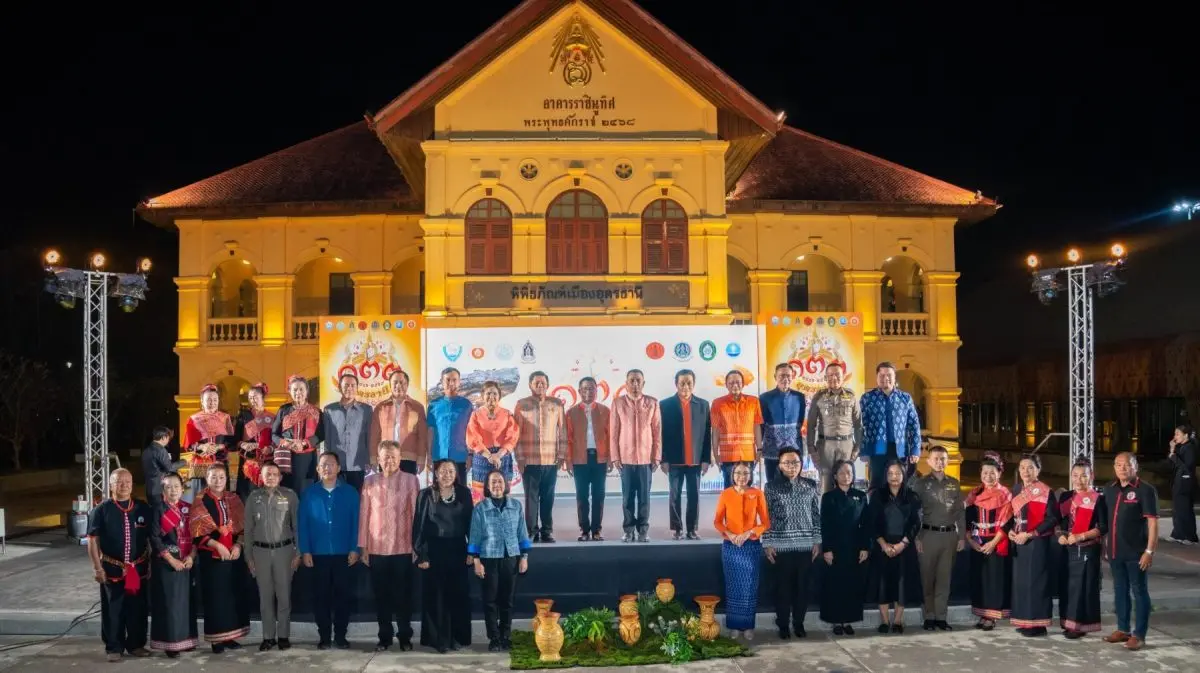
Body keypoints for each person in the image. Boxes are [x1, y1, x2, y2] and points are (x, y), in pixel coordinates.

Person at [359, 439, 420, 652]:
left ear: (400, 458)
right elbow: (364, 514)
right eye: (385, 457)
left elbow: (416, 516)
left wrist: (416, 547)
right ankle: (384, 637)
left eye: (393, 456)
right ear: (379, 459)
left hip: (403, 548)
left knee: (404, 597)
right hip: (377, 548)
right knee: (381, 597)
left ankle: (404, 637)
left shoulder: (411, 480)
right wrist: (363, 547)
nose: (389, 461)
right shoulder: (370, 482)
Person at [87, 468, 153, 662]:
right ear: (111, 485)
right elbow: (92, 541)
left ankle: (136, 644)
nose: (123, 485)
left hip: (138, 569)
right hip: (111, 569)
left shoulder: (143, 509)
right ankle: (113, 647)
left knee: (137, 608)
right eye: (118, 482)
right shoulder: (100, 510)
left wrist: (151, 565)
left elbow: (151, 538)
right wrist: (97, 568)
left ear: (132, 484)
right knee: (113, 609)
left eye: (127, 481)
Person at [298, 452, 360, 650]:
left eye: (332, 464)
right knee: (321, 597)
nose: (327, 468)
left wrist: (355, 548)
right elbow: (303, 525)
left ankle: (340, 636)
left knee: (343, 596)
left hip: (344, 553)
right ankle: (324, 636)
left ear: (339, 468)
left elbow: (356, 523)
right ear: (317, 469)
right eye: (323, 465)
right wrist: (305, 550)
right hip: (318, 554)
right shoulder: (309, 494)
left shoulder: (350, 493)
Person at [413, 459, 474, 653]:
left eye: (451, 471)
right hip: (434, 550)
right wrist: (421, 555)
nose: (447, 475)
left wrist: (472, 551)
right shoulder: (425, 495)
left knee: (457, 596)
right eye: (443, 471)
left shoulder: (464, 493)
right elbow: (418, 527)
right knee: (436, 596)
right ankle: (437, 639)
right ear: (435, 473)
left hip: (458, 549)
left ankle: (457, 637)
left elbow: (471, 523)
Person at [188, 463, 250, 653]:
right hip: (212, 557)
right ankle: (217, 640)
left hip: (233, 556)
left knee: (233, 595)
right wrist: (217, 545)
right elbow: (196, 532)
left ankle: (231, 636)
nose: (217, 481)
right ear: (207, 478)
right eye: (213, 477)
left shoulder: (234, 498)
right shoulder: (200, 500)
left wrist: (238, 545)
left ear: (227, 479)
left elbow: (244, 526)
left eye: (221, 477)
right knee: (216, 597)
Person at [469, 469, 532, 652]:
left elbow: (522, 533)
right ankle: (494, 638)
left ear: (506, 485)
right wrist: (476, 561)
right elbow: (474, 537)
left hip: (511, 559)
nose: (497, 485)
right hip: (488, 559)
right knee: (490, 601)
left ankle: (506, 636)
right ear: (488, 487)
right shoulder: (480, 508)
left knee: (508, 601)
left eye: (499, 482)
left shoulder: (516, 506)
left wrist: (524, 557)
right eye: (493, 483)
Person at [1101, 452, 1158, 650]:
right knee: (1120, 591)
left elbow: (1152, 523)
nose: (1122, 468)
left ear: (1136, 466)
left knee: (1139, 592)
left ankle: (1139, 635)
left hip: (1137, 554)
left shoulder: (1145, 490)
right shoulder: (1109, 489)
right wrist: (1105, 546)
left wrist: (1149, 551)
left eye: (1127, 464)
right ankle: (1123, 629)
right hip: (1115, 553)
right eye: (1118, 464)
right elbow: (1106, 523)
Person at [762, 447, 821, 639]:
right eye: (787, 463)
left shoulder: (811, 485)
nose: (791, 466)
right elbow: (766, 517)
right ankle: (783, 625)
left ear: (801, 464)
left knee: (802, 588)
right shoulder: (771, 487)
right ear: (779, 465)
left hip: (805, 546)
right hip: (781, 547)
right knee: (783, 589)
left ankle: (799, 623)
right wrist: (768, 543)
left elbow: (815, 514)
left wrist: (817, 541)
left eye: (795, 462)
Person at [242, 462, 300, 651]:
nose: (271, 477)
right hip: (260, 553)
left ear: (280, 477)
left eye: (275, 474)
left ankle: (283, 635)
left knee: (284, 596)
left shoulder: (290, 496)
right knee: (265, 597)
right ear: (261, 476)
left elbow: (298, 527)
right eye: (268, 474)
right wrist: (248, 556)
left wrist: (298, 552)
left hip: (284, 552)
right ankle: (268, 637)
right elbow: (248, 530)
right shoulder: (253, 497)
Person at [911, 445, 965, 631]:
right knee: (927, 578)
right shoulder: (920, 484)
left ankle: (941, 617)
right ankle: (929, 616)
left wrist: (961, 536)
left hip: (949, 536)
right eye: (936, 458)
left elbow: (960, 512)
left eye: (943, 459)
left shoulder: (954, 483)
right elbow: (914, 512)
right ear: (928, 461)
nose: (940, 462)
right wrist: (916, 537)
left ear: (947, 461)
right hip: (927, 536)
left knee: (944, 578)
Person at [714, 462, 770, 639]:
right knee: (733, 587)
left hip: (751, 546)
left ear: (751, 475)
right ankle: (734, 626)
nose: (742, 476)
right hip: (731, 547)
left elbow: (765, 523)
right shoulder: (726, 494)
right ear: (732, 475)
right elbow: (717, 521)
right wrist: (729, 534)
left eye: (746, 473)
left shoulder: (757, 493)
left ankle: (748, 627)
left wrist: (749, 533)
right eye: (738, 473)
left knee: (749, 587)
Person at [865, 460, 922, 634]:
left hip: (903, 547)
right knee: (883, 584)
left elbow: (915, 523)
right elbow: (871, 522)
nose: (894, 477)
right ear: (885, 476)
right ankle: (884, 620)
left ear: (904, 475)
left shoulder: (912, 497)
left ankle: (898, 620)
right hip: (882, 546)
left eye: (897, 473)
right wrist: (883, 544)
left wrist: (902, 544)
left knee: (901, 585)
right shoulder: (877, 496)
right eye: (890, 473)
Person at [1007, 455, 1059, 637]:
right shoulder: (1016, 489)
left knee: (1037, 583)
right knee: (1022, 583)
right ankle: (1025, 621)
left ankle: (1039, 624)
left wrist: (1029, 534)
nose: (1026, 472)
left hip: (1037, 541)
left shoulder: (1046, 491)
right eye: (1022, 467)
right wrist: (1010, 531)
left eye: (1030, 468)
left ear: (1038, 470)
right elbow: (1012, 516)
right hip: (1018, 542)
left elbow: (1053, 518)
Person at [513, 371, 567, 542]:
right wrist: (520, 457)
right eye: (536, 383)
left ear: (548, 384)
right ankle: (531, 531)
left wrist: (562, 454)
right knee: (531, 498)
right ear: (530, 385)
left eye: (543, 382)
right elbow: (516, 434)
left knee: (548, 497)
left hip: (551, 460)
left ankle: (547, 531)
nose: (540, 386)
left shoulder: (556, 404)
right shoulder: (522, 405)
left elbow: (563, 431)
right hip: (529, 460)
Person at [149, 472, 198, 657]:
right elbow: (154, 538)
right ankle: (171, 644)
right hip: (167, 564)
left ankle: (187, 640)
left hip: (186, 562)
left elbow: (196, 536)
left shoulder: (189, 508)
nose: (173, 490)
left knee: (185, 603)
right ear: (163, 490)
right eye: (169, 487)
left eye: (176, 486)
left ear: (182, 488)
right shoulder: (158, 509)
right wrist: (171, 559)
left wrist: (192, 556)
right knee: (170, 605)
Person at [1057, 460, 1107, 639]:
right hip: (1067, 548)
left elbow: (1102, 527)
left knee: (1082, 588)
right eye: (1076, 475)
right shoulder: (1066, 497)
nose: (1079, 480)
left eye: (1084, 475)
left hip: (1087, 549)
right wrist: (1060, 535)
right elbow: (1059, 521)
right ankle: (1067, 622)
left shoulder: (1098, 498)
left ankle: (1080, 625)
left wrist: (1081, 536)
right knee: (1067, 587)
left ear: (1091, 476)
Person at [610, 369, 662, 543]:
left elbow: (657, 431)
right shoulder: (618, 403)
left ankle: (643, 530)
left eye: (638, 380)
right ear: (626, 383)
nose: (635, 384)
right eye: (631, 380)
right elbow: (614, 432)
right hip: (625, 459)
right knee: (627, 497)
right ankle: (628, 530)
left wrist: (656, 456)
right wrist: (615, 456)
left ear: (643, 383)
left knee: (645, 498)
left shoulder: (652, 403)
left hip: (646, 458)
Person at [659, 369, 711, 540]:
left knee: (694, 495)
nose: (686, 386)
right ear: (676, 384)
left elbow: (706, 434)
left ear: (693, 384)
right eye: (682, 383)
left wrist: (705, 459)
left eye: (689, 383)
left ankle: (692, 529)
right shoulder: (665, 405)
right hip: (674, 460)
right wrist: (664, 459)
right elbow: (662, 435)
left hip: (695, 460)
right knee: (674, 495)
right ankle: (677, 529)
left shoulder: (703, 405)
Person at [819, 460, 869, 635]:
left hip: (855, 547)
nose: (846, 476)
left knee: (852, 584)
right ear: (835, 476)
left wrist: (865, 547)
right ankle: (836, 621)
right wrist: (826, 549)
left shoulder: (861, 496)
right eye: (842, 473)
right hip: (835, 547)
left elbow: (866, 524)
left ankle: (849, 620)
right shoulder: (828, 497)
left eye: (849, 472)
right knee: (835, 585)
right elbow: (825, 524)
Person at [965, 452, 1012, 630]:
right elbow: (967, 521)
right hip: (978, 541)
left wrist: (993, 543)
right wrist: (971, 541)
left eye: (992, 472)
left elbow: (1007, 523)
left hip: (996, 541)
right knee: (980, 578)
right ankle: (982, 613)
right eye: (985, 472)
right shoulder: (974, 494)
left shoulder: (1005, 494)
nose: (988, 476)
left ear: (999, 473)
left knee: (994, 579)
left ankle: (991, 616)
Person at [859, 362, 921, 491]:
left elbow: (914, 425)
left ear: (894, 377)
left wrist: (915, 449)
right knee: (876, 486)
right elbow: (861, 426)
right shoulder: (867, 398)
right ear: (877, 377)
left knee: (900, 485)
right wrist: (863, 449)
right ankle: (876, 511)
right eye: (881, 375)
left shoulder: (905, 398)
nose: (885, 378)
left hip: (900, 450)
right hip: (877, 450)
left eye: (889, 375)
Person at [565, 377, 611, 541]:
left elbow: (610, 436)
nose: (588, 392)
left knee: (599, 495)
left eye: (591, 389)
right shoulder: (571, 413)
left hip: (599, 459)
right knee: (582, 496)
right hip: (580, 459)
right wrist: (568, 461)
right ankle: (584, 530)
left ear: (596, 391)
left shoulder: (605, 411)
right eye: (585, 389)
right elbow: (568, 439)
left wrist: (610, 458)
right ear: (579, 391)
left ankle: (596, 530)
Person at [807, 363, 862, 492]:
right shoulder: (819, 397)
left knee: (846, 482)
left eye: (837, 374)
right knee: (826, 485)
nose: (834, 378)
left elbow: (858, 425)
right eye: (830, 375)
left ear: (843, 376)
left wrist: (857, 448)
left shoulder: (852, 396)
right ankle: (826, 512)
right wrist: (811, 449)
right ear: (826, 377)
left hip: (846, 445)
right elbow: (811, 425)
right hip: (825, 446)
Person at [466, 380, 520, 505]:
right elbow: (473, 436)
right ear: (482, 395)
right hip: (482, 457)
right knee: (480, 495)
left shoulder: (507, 414)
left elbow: (512, 435)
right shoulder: (476, 414)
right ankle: (482, 521)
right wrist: (489, 456)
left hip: (502, 458)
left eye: (495, 394)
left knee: (501, 491)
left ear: (499, 396)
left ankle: (502, 521)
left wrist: (499, 455)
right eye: (488, 393)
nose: (492, 397)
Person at [368, 369, 428, 478]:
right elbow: (374, 436)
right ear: (390, 385)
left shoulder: (417, 407)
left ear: (407, 385)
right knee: (387, 491)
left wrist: (421, 458)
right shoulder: (380, 408)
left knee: (407, 491)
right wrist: (373, 458)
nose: (398, 385)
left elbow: (422, 437)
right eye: (395, 382)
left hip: (409, 458)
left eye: (402, 382)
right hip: (386, 458)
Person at [711, 370, 764, 488]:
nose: (735, 385)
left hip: (748, 455)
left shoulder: (753, 402)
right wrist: (715, 454)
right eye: (731, 383)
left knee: (747, 490)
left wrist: (759, 448)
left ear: (743, 384)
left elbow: (757, 426)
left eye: (738, 382)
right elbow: (715, 431)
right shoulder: (717, 403)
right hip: (727, 455)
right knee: (730, 491)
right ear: (726, 385)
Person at [272, 375, 324, 493]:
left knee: (305, 490)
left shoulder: (316, 411)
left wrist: (304, 444)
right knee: (285, 491)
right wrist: (285, 442)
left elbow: (321, 434)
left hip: (307, 457)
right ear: (290, 391)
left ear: (307, 391)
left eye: (301, 389)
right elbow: (274, 434)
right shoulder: (283, 410)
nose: (298, 392)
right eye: (295, 389)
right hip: (286, 456)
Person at [322, 373, 373, 492]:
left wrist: (369, 460)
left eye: (352, 385)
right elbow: (327, 439)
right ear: (339, 388)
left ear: (357, 388)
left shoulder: (366, 410)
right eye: (346, 385)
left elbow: (369, 437)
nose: (349, 388)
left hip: (358, 463)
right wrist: (327, 461)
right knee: (336, 498)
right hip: (336, 465)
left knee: (356, 498)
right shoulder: (329, 410)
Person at [182, 384, 235, 497]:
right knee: (200, 498)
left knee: (220, 496)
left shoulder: (225, 418)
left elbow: (231, 443)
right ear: (202, 401)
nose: (212, 402)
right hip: (200, 464)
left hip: (220, 462)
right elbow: (188, 444)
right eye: (208, 400)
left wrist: (218, 447)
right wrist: (203, 447)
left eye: (215, 399)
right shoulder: (194, 419)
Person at [759, 363, 805, 483]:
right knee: (772, 485)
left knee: (794, 485)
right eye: (781, 375)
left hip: (794, 451)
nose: (785, 378)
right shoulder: (764, 398)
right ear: (775, 377)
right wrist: (759, 447)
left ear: (792, 376)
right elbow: (761, 425)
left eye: (788, 375)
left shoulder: (799, 397)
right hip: (772, 451)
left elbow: (800, 422)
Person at [427, 367, 473, 485]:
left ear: (459, 382)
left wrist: (470, 455)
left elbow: (472, 432)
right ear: (442, 382)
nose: (451, 383)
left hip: (460, 457)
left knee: (460, 495)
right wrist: (429, 455)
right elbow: (430, 432)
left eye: (454, 380)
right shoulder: (433, 405)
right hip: (439, 457)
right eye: (447, 380)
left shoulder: (466, 405)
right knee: (439, 494)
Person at [234, 383, 275, 501]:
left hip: (266, 460)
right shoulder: (243, 416)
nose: (253, 400)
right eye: (250, 397)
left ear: (263, 398)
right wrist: (243, 444)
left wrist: (269, 448)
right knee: (246, 495)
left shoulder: (272, 417)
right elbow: (235, 439)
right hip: (248, 461)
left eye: (256, 397)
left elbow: (276, 440)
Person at [1168, 424, 1198, 544]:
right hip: (1178, 481)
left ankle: (1189, 536)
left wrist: (1173, 455)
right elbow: (1172, 463)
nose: (1175, 437)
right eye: (1175, 434)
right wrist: (1172, 451)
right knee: (1178, 509)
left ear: (1185, 435)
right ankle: (1178, 534)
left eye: (1177, 434)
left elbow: (1187, 466)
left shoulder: (1190, 448)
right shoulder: (1181, 447)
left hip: (1185, 482)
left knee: (1185, 509)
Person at [143, 426, 184, 504]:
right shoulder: (161, 450)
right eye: (168, 438)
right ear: (164, 437)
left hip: (149, 487)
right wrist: (183, 462)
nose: (168, 441)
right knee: (161, 513)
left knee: (153, 510)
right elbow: (169, 468)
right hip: (159, 488)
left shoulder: (147, 449)